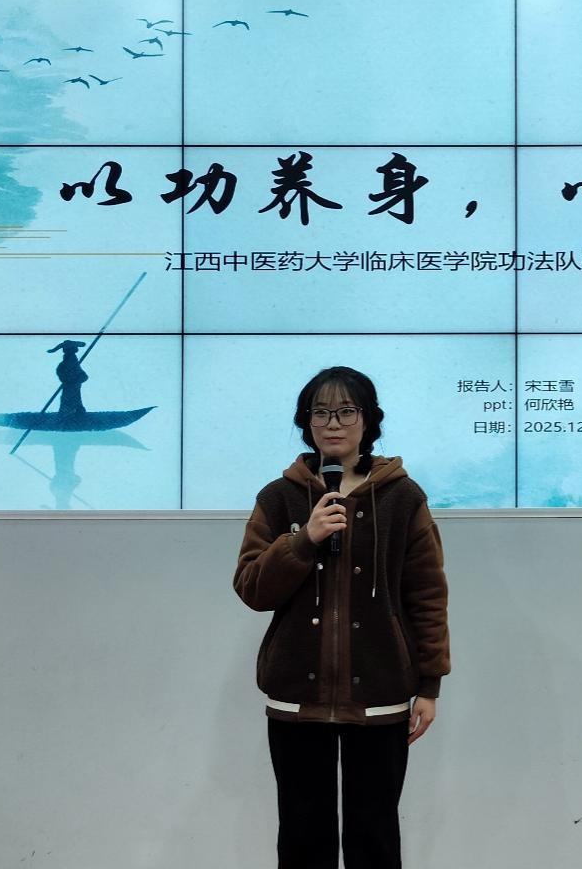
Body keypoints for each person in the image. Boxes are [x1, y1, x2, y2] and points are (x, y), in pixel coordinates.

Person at [233, 366, 450, 869]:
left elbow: (427, 594)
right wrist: (302, 540)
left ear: (369, 420)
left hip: (380, 693)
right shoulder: (278, 497)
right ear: (305, 422)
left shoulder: (403, 497)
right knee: (302, 839)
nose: (333, 423)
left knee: (375, 838)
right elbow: (251, 588)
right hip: (296, 696)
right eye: (321, 412)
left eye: (347, 411)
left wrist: (430, 684)